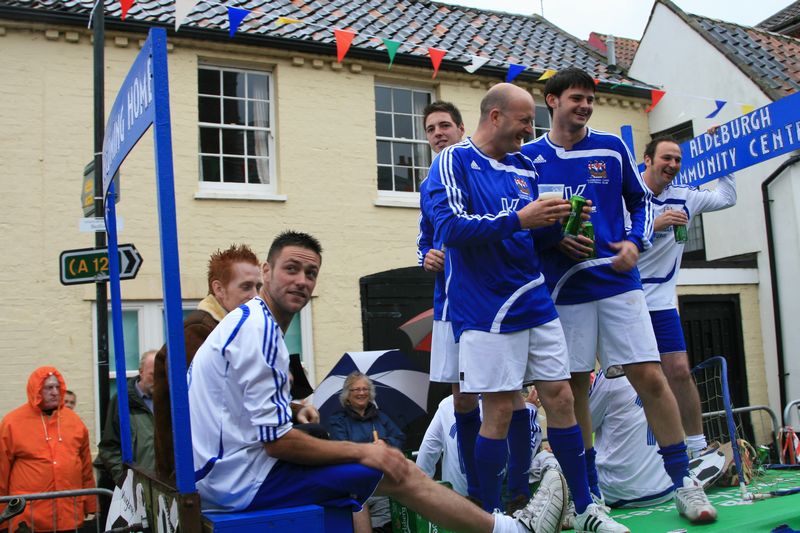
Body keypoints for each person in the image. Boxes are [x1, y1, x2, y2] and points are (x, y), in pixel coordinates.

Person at [188, 230, 563, 533]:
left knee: (369, 468)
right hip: (237, 483)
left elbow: (234, 412)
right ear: (266, 272)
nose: (301, 281)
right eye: (291, 269)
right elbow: (277, 445)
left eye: (311, 273)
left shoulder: (248, 323)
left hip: (219, 474)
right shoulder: (260, 332)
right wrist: (365, 451)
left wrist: (292, 408)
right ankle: (511, 530)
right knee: (392, 468)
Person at [425, 82, 627, 533]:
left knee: (559, 397)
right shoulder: (452, 162)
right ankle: (489, 516)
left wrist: (562, 224)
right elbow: (451, 228)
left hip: (534, 297)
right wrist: (522, 218)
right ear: (494, 116)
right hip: (486, 308)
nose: (528, 131)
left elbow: (531, 236)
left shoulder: (522, 166)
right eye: (523, 122)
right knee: (497, 410)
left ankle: (584, 507)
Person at [521, 67, 716, 525]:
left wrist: (634, 241)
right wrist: (555, 241)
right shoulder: (528, 158)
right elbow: (523, 224)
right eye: (576, 98)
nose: (585, 105)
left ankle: (683, 484)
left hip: (617, 282)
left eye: (590, 98)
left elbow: (642, 202)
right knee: (573, 390)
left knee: (650, 377)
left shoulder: (611, 148)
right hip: (565, 290)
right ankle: (588, 498)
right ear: (552, 101)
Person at [637, 135, 737, 459]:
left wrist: (723, 155)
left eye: (678, 160)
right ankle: (638, 455)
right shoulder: (628, 194)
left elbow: (727, 198)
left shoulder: (685, 197)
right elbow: (611, 235)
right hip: (625, 299)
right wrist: (655, 224)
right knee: (626, 380)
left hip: (662, 302)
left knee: (679, 369)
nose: (673, 165)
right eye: (666, 158)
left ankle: (697, 447)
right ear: (648, 159)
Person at [154, 244, 267, 481]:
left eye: (258, 287)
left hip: (217, 465)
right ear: (219, 289)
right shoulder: (199, 330)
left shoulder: (229, 328)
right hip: (198, 473)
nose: (255, 296)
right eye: (246, 287)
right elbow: (213, 402)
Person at [0, 367, 97, 533]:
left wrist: (91, 504)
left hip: (68, 516)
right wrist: (3, 516)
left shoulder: (74, 421)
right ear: (36, 389)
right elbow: (2, 471)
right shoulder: (12, 423)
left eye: (57, 387)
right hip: (28, 519)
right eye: (48, 388)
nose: (55, 392)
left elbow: (86, 467)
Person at [416, 391, 542, 499]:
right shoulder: (506, 405)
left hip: (452, 504)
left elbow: (427, 452)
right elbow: (524, 454)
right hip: (497, 506)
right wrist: (530, 409)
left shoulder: (446, 405)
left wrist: (421, 496)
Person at [328, 372, 405, 532]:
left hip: (381, 485)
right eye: (356, 389)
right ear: (347, 395)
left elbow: (399, 437)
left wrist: (385, 442)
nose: (362, 393)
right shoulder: (338, 421)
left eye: (365, 389)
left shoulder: (380, 417)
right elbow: (341, 449)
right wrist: (371, 450)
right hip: (355, 488)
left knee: (385, 527)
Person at [95, 350, 157, 485]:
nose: (158, 379)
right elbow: (109, 448)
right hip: (136, 487)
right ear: (141, 372)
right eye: (153, 375)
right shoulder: (122, 401)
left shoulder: (168, 401)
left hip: (164, 487)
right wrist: (125, 482)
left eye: (161, 374)